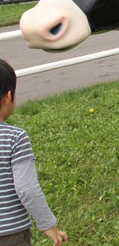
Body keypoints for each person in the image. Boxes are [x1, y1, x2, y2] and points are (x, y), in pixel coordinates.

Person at [0, 59, 68, 246]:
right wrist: (47, 224)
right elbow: (26, 188)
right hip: (10, 234)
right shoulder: (14, 138)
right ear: (8, 97)